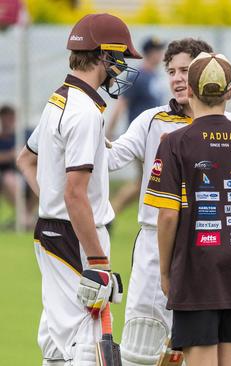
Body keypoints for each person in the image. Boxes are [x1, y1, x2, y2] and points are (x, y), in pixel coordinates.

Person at [106, 38, 231, 366]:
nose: (177, 78)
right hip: (160, 244)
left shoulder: (227, 133)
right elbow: (113, 156)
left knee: (196, 349)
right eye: (171, 71)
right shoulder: (152, 120)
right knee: (141, 349)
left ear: (194, 83)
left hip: (197, 250)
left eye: (184, 71)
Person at [15, 13, 141, 365]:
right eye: (120, 57)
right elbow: (75, 193)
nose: (121, 66)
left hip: (54, 232)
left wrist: (52, 203)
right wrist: (98, 260)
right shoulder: (85, 111)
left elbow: (27, 159)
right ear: (103, 55)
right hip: (77, 238)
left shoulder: (59, 98)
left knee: (56, 342)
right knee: (85, 344)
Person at [106, 36, 166, 215]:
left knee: (146, 182)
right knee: (146, 182)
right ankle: (110, 213)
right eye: (158, 51)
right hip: (142, 137)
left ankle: (110, 213)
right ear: (150, 53)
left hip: (155, 136)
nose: (161, 55)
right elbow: (121, 104)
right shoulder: (137, 76)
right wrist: (110, 131)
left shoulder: (155, 76)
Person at [0, 105, 36, 224]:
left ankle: (26, 216)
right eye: (6, 117)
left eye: (11, 117)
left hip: (26, 174)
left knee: (39, 178)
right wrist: (10, 155)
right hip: (8, 177)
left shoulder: (25, 134)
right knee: (10, 179)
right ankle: (26, 218)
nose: (9, 120)